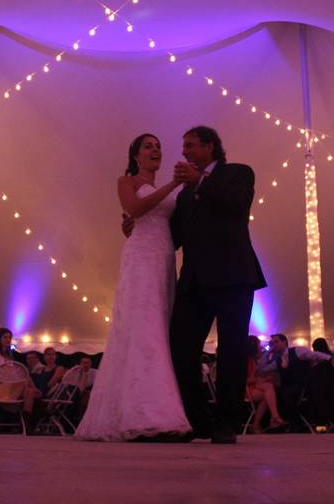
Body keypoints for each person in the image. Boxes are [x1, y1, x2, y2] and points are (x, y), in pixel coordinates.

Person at [76, 133, 193, 441]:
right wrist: (173, 185)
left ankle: (152, 409)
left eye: (158, 146)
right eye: (147, 146)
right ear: (136, 156)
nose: (155, 150)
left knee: (161, 328)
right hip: (140, 257)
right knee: (144, 328)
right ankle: (149, 416)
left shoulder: (169, 191)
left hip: (164, 257)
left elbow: (173, 224)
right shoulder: (126, 181)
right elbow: (136, 208)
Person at [168, 126, 267, 444]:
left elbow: (238, 205)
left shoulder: (237, 173)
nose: (185, 151)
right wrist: (139, 224)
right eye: (183, 146)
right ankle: (199, 419)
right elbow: (174, 236)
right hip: (194, 281)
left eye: (191, 145)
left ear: (210, 147)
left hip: (233, 276)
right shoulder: (183, 194)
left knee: (232, 349)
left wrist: (202, 182)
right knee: (181, 349)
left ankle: (227, 422)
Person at [266, 333, 334, 431]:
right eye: (272, 343)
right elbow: (263, 368)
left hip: (303, 386)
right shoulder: (277, 360)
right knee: (275, 394)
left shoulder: (297, 351)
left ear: (284, 342)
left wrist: (330, 358)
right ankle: (286, 423)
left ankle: (296, 424)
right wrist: (267, 353)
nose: (274, 345)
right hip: (288, 388)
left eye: (276, 342)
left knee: (286, 394)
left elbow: (314, 354)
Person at [246, 336, 284, 433]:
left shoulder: (254, 360)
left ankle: (259, 423)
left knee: (267, 393)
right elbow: (242, 380)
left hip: (253, 386)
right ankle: (274, 417)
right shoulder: (245, 361)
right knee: (269, 388)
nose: (261, 347)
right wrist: (258, 379)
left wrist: (262, 378)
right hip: (245, 389)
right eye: (259, 345)